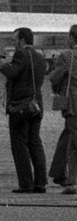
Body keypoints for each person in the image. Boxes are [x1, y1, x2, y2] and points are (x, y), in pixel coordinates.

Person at [0, 26, 48, 193]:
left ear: (22, 40)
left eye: (15, 40)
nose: (14, 43)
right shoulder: (40, 57)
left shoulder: (21, 54)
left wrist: (2, 65)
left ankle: (26, 183)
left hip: (20, 106)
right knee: (35, 144)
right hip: (36, 105)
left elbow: (13, 73)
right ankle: (41, 182)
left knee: (19, 145)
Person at [45, 25, 77, 194]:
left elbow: (55, 76)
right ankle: (65, 177)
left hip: (73, 104)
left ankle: (70, 181)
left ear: (72, 38)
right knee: (70, 140)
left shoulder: (67, 55)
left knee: (73, 141)